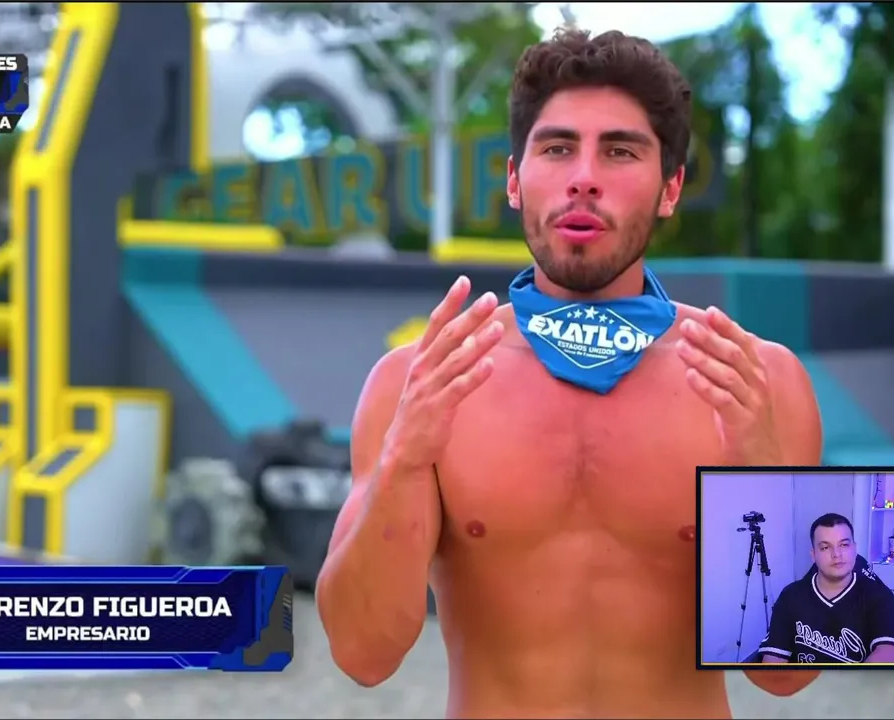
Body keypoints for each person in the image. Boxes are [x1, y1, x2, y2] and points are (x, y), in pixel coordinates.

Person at [316, 26, 827, 719]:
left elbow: (790, 675)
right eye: (557, 148)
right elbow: (360, 655)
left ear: (671, 187)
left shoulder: (760, 381)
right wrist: (404, 461)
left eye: (620, 151)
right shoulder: (417, 383)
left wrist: (758, 473)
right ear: (514, 180)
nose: (584, 176)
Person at [758, 514, 894, 665]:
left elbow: (889, 653)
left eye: (844, 545)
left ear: (854, 549)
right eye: (825, 547)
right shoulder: (790, 596)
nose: (836, 554)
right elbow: (774, 657)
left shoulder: (878, 596)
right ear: (813, 555)